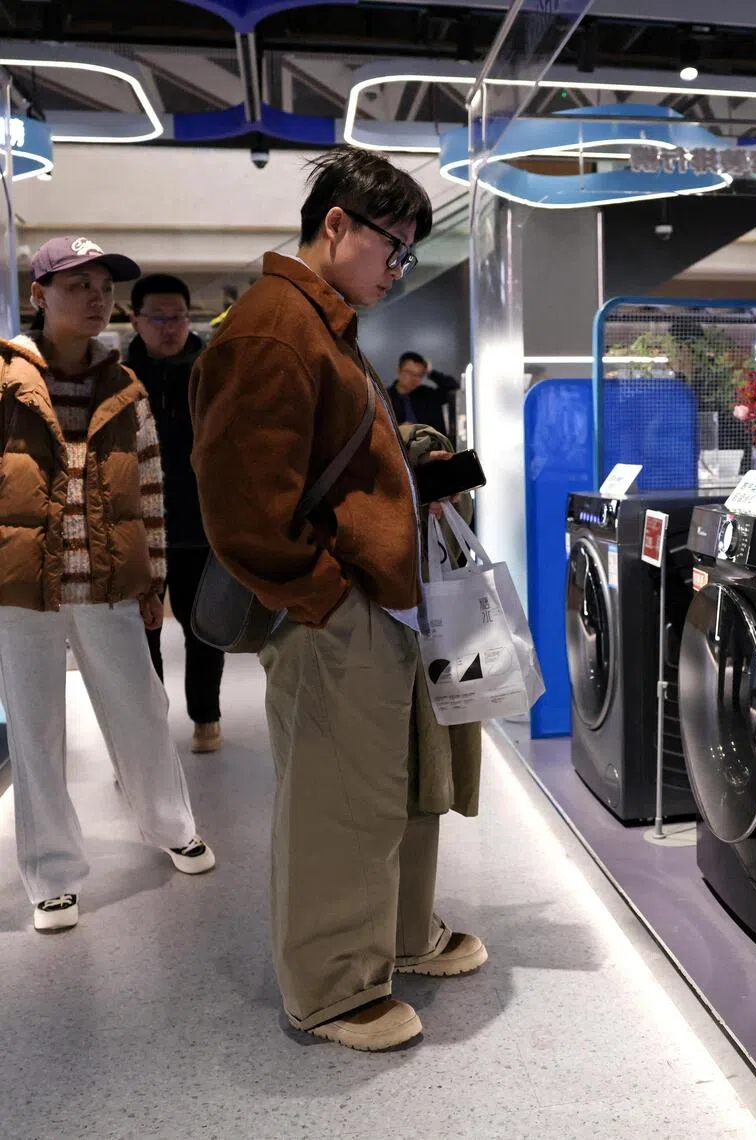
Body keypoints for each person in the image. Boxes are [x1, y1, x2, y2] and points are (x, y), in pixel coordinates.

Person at [190, 149, 485, 1053]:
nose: (398, 274)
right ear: (336, 227)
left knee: (391, 785)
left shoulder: (322, 323)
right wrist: (324, 597)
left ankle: (393, 938)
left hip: (376, 598)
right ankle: (329, 987)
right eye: (395, 251)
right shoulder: (275, 328)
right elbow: (242, 504)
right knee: (337, 799)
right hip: (336, 607)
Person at [0, 237, 215, 933]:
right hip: (21, 589)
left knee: (142, 711)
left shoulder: (125, 388)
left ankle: (171, 824)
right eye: (77, 285)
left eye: (103, 285)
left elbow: (148, 487)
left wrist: (152, 577)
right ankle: (52, 874)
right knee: (36, 734)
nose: (96, 297)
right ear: (39, 296)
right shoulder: (4, 379)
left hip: (109, 585)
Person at [128, 273, 225, 754]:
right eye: (159, 317)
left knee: (203, 626)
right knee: (139, 634)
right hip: (136, 530)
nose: (170, 327)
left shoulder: (213, 372)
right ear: (135, 319)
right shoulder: (117, 377)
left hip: (200, 525)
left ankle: (206, 716)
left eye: (179, 317)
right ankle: (147, 729)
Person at [388, 351, 460, 437]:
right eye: (410, 373)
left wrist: (431, 372)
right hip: (399, 446)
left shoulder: (428, 395)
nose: (415, 379)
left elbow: (453, 387)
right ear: (399, 371)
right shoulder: (386, 398)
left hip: (433, 446)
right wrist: (399, 428)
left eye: (419, 375)